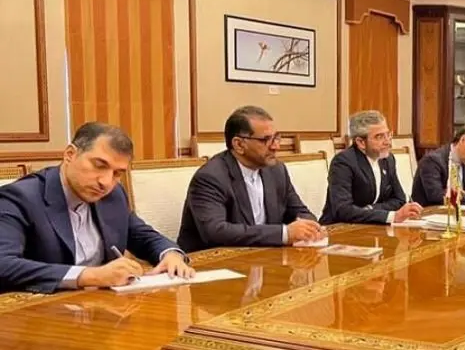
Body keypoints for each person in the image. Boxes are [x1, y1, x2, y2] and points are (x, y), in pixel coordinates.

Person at [0, 122, 194, 294]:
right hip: (37, 312)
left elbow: (142, 235)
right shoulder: (20, 197)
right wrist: (89, 276)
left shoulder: (113, 195)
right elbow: (3, 264)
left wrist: (170, 254)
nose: (106, 182)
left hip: (101, 307)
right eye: (99, 166)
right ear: (70, 155)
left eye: (117, 173)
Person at [177, 106, 323, 252]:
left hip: (265, 257)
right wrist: (284, 234)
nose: (276, 146)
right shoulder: (211, 177)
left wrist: (309, 226)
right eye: (266, 140)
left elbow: (299, 210)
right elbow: (216, 232)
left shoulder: (276, 170)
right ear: (239, 144)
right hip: (214, 260)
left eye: (276, 138)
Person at [320, 111, 423, 225]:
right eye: (379, 137)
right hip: (339, 229)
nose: (387, 142)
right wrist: (391, 216)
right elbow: (343, 210)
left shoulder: (388, 159)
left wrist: (370, 209)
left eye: (388, 134)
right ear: (361, 142)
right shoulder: (343, 162)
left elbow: (399, 200)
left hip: (372, 225)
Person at [411, 124, 465, 207]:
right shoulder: (432, 160)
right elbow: (436, 196)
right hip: (429, 212)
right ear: (463, 140)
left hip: (460, 212)